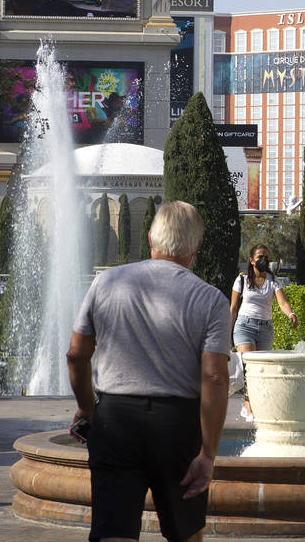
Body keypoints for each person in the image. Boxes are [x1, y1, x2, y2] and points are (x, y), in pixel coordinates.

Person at [67, 201, 230, 542]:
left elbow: (77, 355)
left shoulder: (106, 282)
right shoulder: (210, 299)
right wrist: (208, 454)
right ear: (196, 247)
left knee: (114, 530)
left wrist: (86, 406)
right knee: (185, 532)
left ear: (151, 238)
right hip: (176, 425)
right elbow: (214, 377)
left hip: (114, 419)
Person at [229, 244, 298, 422]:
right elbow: (233, 308)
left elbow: (282, 302)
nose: (264, 260)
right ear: (251, 260)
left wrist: (290, 313)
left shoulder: (273, 280)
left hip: (265, 329)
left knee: (259, 370)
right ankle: (249, 406)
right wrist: (227, 333)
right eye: (260, 257)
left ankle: (249, 403)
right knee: (249, 367)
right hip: (244, 326)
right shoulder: (242, 280)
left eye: (266, 257)